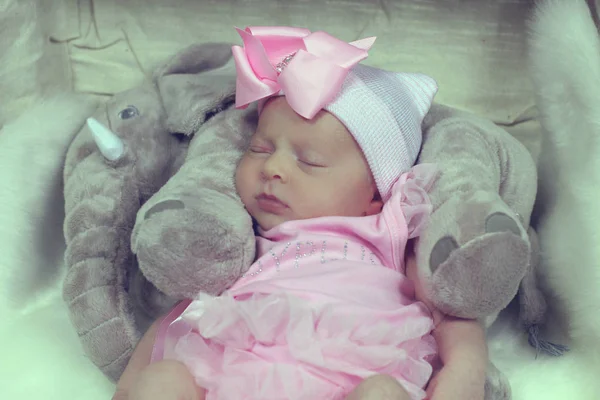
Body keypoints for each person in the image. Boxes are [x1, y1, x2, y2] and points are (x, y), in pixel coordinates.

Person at [113, 27, 488, 400]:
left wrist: (464, 369)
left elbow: (448, 308)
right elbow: (184, 315)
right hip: (241, 370)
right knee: (165, 380)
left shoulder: (387, 231)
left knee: (381, 394)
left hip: (356, 370)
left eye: (309, 161)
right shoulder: (242, 240)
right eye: (259, 149)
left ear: (375, 194)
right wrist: (131, 384)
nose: (273, 168)